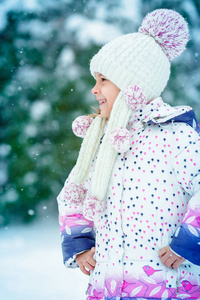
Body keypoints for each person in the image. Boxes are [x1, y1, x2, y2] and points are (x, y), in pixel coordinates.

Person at [57, 8, 200, 300]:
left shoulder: (176, 135)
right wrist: (80, 242)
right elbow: (73, 193)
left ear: (133, 83)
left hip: (165, 287)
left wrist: (189, 241)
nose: (94, 89)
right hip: (107, 285)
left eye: (103, 79)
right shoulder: (102, 139)